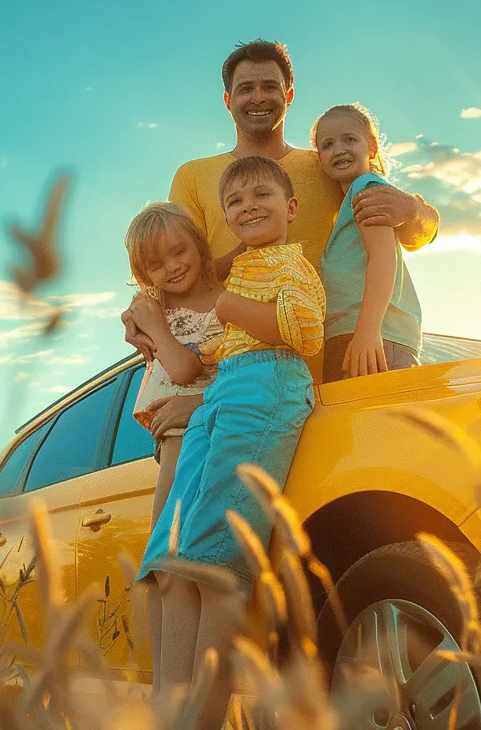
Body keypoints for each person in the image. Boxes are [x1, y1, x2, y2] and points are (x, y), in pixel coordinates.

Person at [123, 40, 439, 436]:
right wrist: (140, 310)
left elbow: (407, 235)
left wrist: (413, 210)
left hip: (335, 368)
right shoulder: (192, 176)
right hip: (238, 388)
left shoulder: (325, 161)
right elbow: (174, 270)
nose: (259, 97)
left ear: (288, 95)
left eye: (270, 86)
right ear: (227, 100)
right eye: (246, 88)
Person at [137, 156, 324, 730]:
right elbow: (217, 350)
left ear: (292, 208)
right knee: (174, 556)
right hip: (224, 395)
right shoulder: (240, 273)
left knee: (217, 557)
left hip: (267, 384)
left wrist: (225, 307)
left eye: (261, 195)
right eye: (236, 202)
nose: (249, 207)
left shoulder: (292, 265)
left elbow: (307, 330)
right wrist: (153, 325)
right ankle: (174, 710)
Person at [122, 202, 226, 694]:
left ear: (200, 244)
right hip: (177, 435)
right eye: (154, 266)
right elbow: (180, 373)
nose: (171, 268)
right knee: (168, 560)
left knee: (180, 557)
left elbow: (198, 374)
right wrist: (144, 318)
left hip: (217, 427)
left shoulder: (232, 298)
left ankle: (178, 692)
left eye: (179, 251)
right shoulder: (156, 310)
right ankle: (170, 693)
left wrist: (152, 324)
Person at [313, 104, 423, 381]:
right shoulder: (350, 202)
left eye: (350, 139)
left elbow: (382, 259)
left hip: (375, 338)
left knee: (382, 424)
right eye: (327, 144)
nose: (338, 149)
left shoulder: (367, 188)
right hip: (353, 335)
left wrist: (367, 332)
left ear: (371, 147)